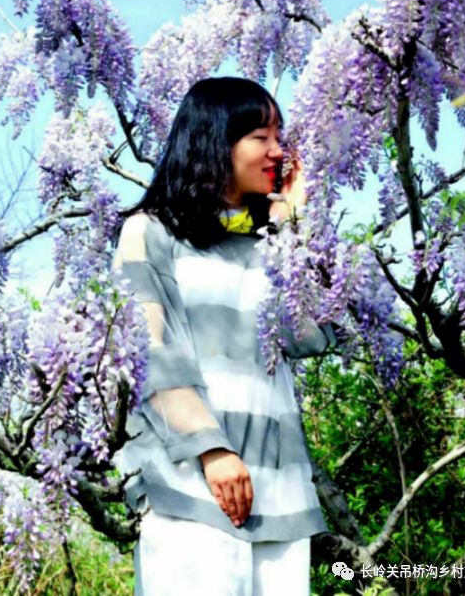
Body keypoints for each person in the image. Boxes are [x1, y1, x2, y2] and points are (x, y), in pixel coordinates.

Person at [112, 77, 334, 596]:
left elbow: (311, 335)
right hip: (189, 479)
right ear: (215, 141)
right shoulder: (150, 232)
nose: (279, 151)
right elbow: (151, 351)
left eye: (280, 136)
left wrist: (291, 225)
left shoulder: (269, 244)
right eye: (261, 137)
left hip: (277, 488)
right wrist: (212, 450)